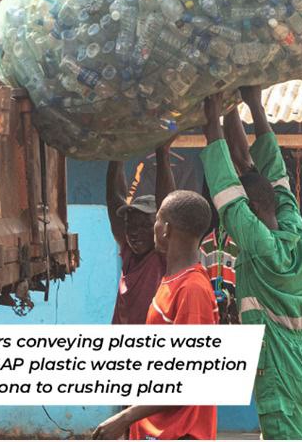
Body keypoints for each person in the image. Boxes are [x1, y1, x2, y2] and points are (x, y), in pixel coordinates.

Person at [201, 87, 302, 440]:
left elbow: (226, 191)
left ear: (253, 210)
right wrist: (251, 105)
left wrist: (210, 119)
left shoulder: (258, 244)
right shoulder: (294, 229)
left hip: (283, 368)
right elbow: (274, 173)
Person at [93, 188, 218, 440]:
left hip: (181, 433)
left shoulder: (192, 289)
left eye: (157, 219)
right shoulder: (172, 281)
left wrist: (124, 418)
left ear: (166, 229)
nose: (153, 227)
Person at [107, 140, 177, 325]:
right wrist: (117, 155)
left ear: (159, 227)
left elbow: (167, 207)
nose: (134, 233)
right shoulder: (129, 253)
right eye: (131, 225)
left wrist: (162, 153)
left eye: (144, 225)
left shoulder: (162, 257)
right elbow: (115, 199)